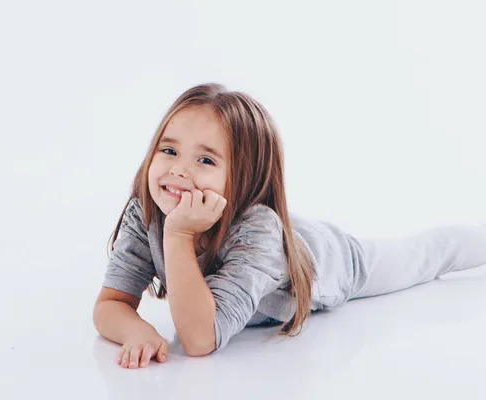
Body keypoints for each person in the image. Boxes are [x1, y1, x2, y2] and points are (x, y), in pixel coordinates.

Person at [92, 83, 486, 369]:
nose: (178, 170)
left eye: (206, 161)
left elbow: (199, 340)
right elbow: (110, 305)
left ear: (246, 179)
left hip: (334, 260)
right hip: (285, 234)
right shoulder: (147, 211)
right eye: (169, 150)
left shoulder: (257, 229)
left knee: (426, 256)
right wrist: (134, 330)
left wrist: (178, 235)